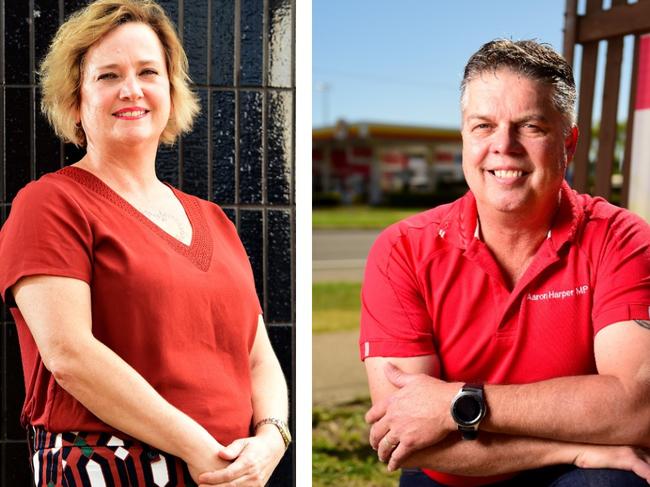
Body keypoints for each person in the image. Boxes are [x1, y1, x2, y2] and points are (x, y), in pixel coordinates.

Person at [0, 1, 289, 486]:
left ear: (171, 92)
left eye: (148, 72)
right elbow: (70, 355)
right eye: (108, 76)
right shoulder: (49, 204)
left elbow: (258, 355)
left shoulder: (214, 221)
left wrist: (271, 440)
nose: (131, 89)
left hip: (232, 473)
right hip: (112, 471)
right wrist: (200, 450)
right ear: (75, 101)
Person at [360, 39, 650, 487]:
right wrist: (571, 446)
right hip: (457, 475)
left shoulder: (620, 237)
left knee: (616, 482)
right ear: (463, 136)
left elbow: (638, 408)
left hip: (579, 478)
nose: (503, 146)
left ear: (568, 142)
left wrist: (455, 404)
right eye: (483, 126)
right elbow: (409, 436)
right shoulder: (402, 249)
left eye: (530, 126)